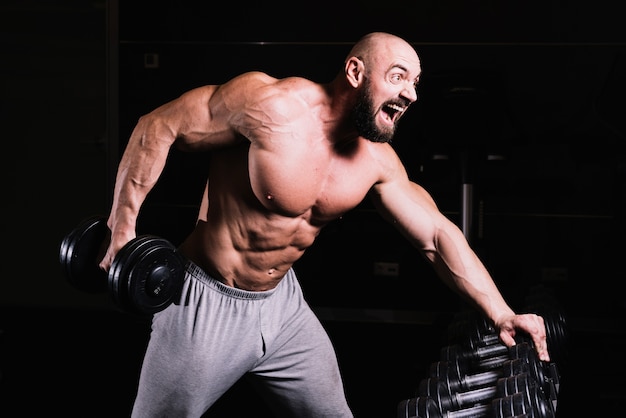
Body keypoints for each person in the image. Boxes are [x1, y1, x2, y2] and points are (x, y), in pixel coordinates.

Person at [99, 32, 551, 418]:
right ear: (355, 72)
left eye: (415, 83)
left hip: (284, 309)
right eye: (398, 76)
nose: (411, 93)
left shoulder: (377, 161)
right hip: (206, 304)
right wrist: (123, 229)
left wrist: (501, 312)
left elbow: (435, 235)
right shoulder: (269, 106)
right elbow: (158, 126)